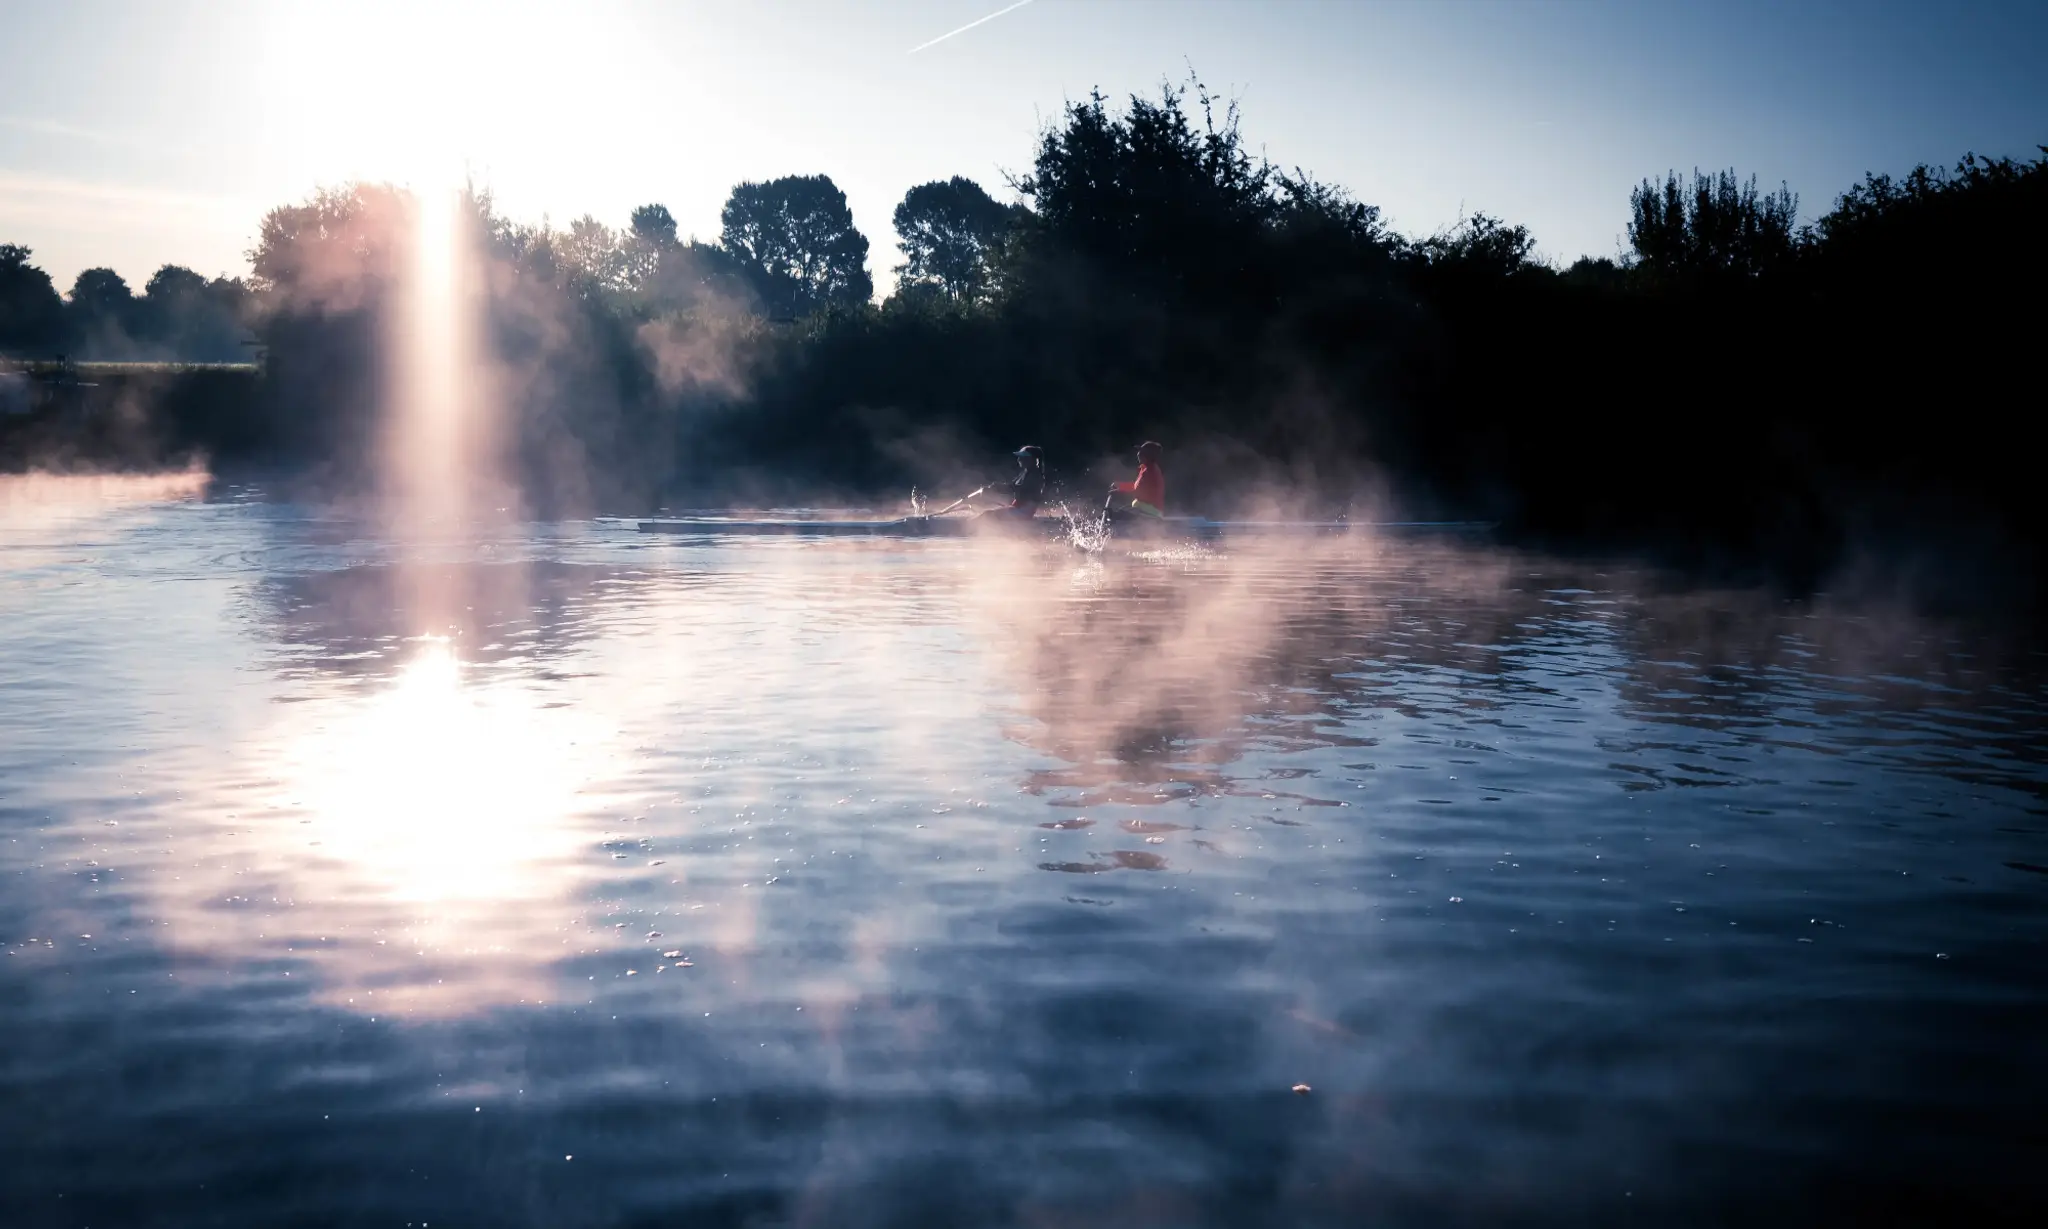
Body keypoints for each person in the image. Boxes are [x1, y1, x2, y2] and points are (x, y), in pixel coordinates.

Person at [978, 445, 1045, 519]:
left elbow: (1015, 489)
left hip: (1023, 512)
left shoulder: (1035, 475)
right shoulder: (1026, 472)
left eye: (1021, 457)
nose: (1018, 460)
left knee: (987, 515)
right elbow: (1012, 486)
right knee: (988, 512)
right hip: (1020, 509)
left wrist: (996, 488)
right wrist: (995, 486)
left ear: (1030, 459)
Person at [1106, 440, 1165, 519]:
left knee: (1117, 515)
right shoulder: (1145, 468)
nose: (1138, 454)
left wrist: (1118, 491)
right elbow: (1136, 487)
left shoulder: (1150, 472)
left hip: (1150, 512)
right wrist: (1119, 486)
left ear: (1147, 456)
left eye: (1141, 452)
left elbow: (1139, 491)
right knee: (1118, 512)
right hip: (1144, 509)